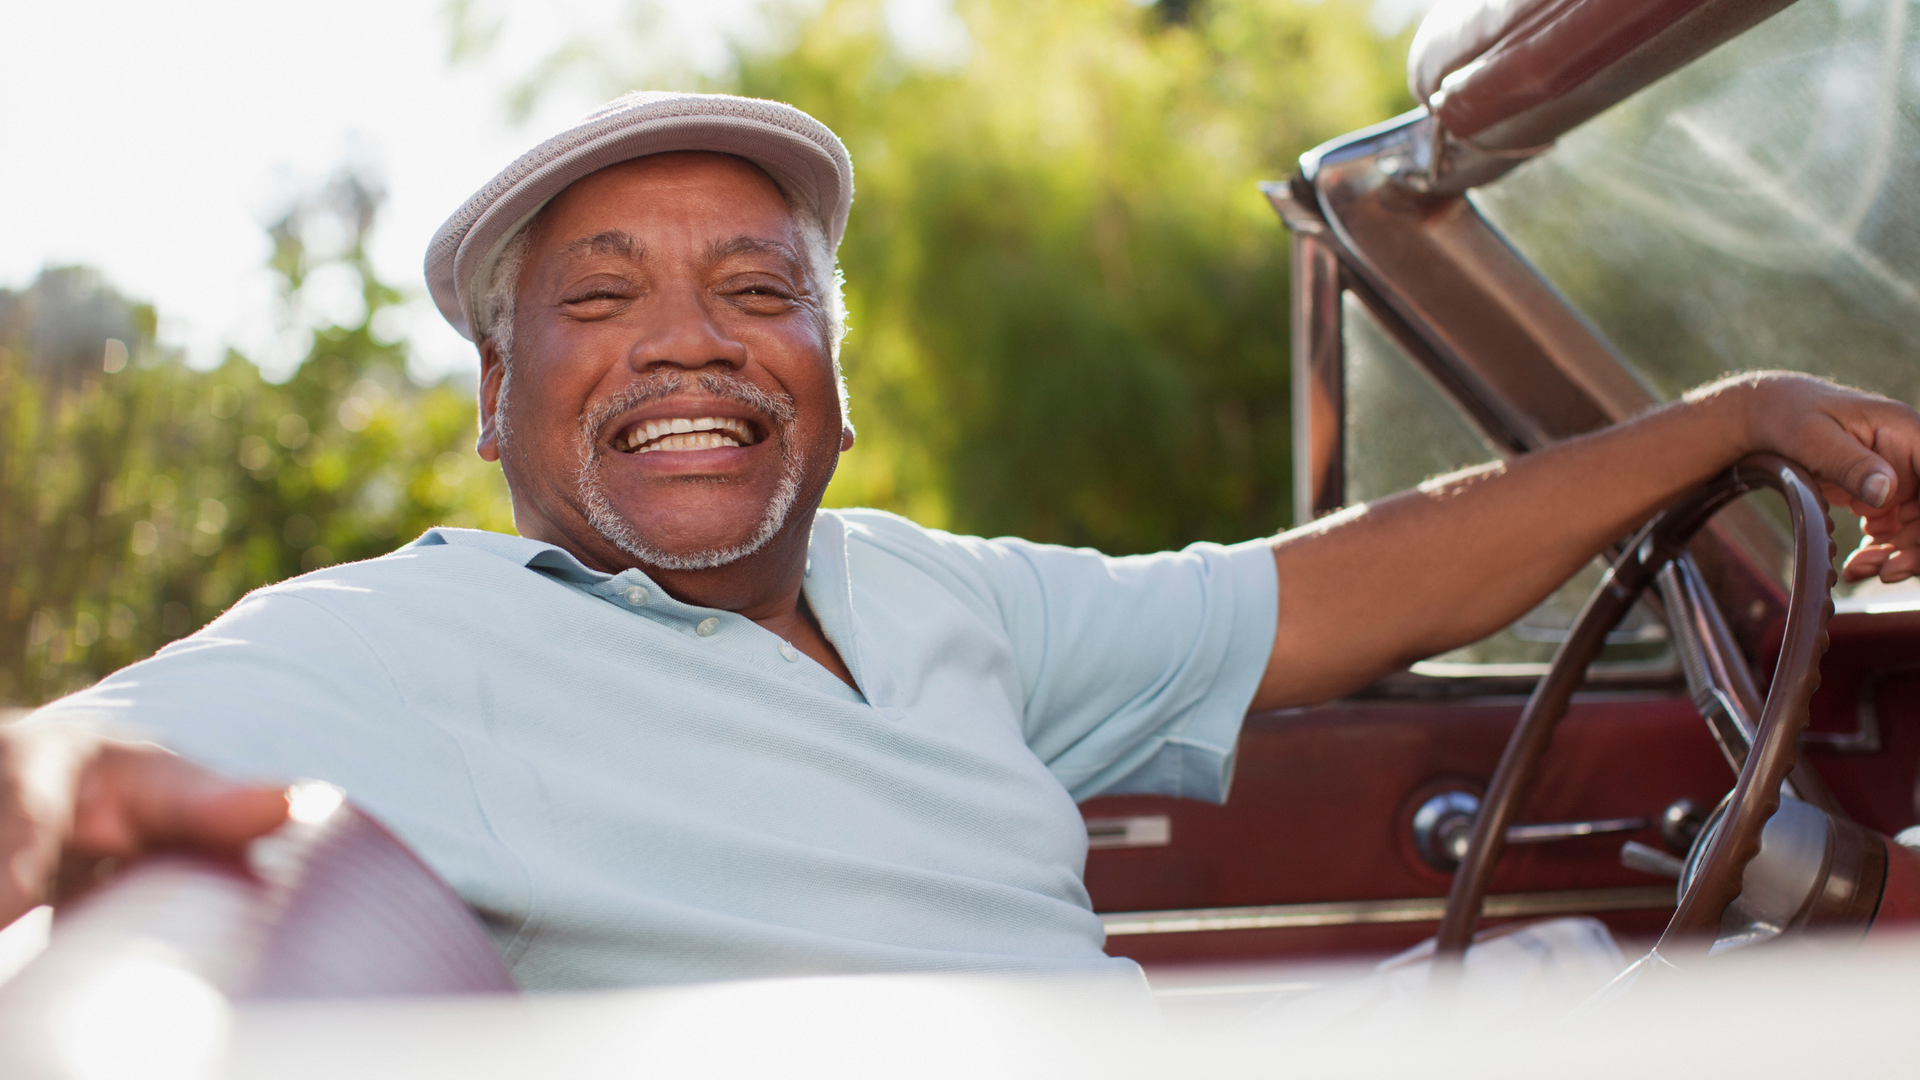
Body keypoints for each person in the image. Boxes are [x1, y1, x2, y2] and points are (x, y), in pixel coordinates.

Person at [5, 92, 1920, 990]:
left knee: (1616, 971)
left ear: (834, 386)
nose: (689, 336)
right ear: (492, 404)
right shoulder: (409, 642)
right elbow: (76, 760)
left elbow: (1333, 590)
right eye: (601, 302)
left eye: (757, 291)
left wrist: (1729, 418)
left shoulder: (929, 594)